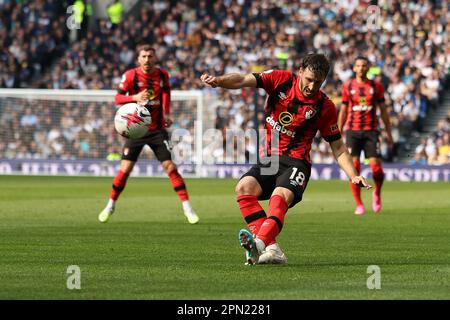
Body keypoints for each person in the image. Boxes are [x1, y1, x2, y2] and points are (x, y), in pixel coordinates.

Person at [200, 53, 371, 265]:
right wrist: (219, 81)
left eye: (318, 82)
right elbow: (244, 79)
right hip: (270, 159)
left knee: (278, 197)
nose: (311, 86)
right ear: (300, 72)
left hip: (297, 162)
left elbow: (337, 146)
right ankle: (272, 248)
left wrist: (353, 174)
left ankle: (259, 245)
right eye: (309, 79)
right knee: (244, 188)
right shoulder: (280, 80)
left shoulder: (324, 106)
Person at [99, 44, 199, 224]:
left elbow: (166, 93)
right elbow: (117, 98)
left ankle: (188, 208)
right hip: (135, 131)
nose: (147, 59)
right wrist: (134, 98)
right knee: (125, 170)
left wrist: (167, 112)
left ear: (155, 58)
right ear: (138, 59)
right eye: (144, 56)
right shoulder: (131, 75)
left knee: (170, 167)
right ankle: (110, 205)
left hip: (157, 130)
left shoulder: (162, 75)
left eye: (150, 56)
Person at [338, 56, 393, 215]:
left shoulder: (376, 86)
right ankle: (359, 204)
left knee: (376, 167)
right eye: (358, 66)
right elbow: (344, 110)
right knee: (354, 168)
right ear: (354, 68)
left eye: (364, 65)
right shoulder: (348, 86)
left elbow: (383, 111)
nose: (361, 68)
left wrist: (389, 134)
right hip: (353, 131)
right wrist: (338, 131)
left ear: (368, 68)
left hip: (371, 131)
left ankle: (377, 193)